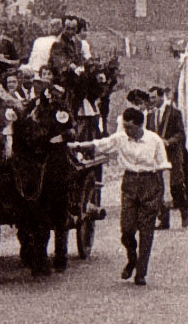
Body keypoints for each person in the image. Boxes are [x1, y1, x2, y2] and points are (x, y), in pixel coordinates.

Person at [68, 108, 171, 286]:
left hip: (150, 184)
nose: (126, 131)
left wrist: (167, 193)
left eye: (130, 127)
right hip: (130, 183)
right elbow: (99, 144)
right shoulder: (121, 138)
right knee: (127, 229)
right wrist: (74, 146)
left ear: (140, 125)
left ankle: (141, 272)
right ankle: (132, 258)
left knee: (146, 231)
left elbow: (164, 167)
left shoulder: (154, 140)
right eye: (125, 127)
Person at [148, 87, 188, 230]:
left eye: (154, 97)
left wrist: (168, 141)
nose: (152, 101)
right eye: (150, 98)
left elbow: (180, 134)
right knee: (159, 187)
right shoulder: (150, 116)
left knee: (176, 185)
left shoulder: (174, 113)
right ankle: (164, 220)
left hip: (172, 155)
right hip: (157, 156)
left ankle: (184, 212)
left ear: (161, 97)